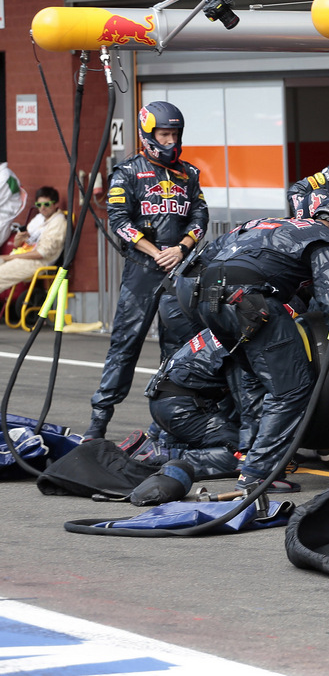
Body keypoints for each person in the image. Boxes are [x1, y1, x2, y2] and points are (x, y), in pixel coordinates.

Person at [193, 193, 329, 492]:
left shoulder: (266, 224)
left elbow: (201, 260)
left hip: (207, 300)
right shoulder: (324, 238)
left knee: (256, 380)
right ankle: (257, 473)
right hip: (251, 304)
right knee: (292, 390)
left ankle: (251, 457)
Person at [86, 101, 209, 440]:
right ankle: (97, 425)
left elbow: (201, 217)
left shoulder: (190, 174)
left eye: (174, 134)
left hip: (179, 272)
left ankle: (168, 426)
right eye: (164, 134)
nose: (170, 141)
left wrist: (182, 248)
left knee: (179, 349)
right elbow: (118, 221)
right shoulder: (127, 172)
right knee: (125, 345)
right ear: (148, 135)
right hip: (143, 271)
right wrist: (155, 251)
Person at [141, 327, 243, 480]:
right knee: (244, 454)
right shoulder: (236, 342)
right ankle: (164, 458)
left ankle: (161, 448)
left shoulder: (214, 328)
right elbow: (246, 403)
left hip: (163, 402)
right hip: (182, 409)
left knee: (207, 441)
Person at [0, 187, 66, 295]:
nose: (42, 208)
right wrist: (18, 239)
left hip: (38, 263)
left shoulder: (58, 223)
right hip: (22, 256)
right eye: (39, 205)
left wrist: (9, 257)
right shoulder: (39, 218)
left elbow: (41, 254)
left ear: (56, 204)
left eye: (47, 204)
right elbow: (18, 245)